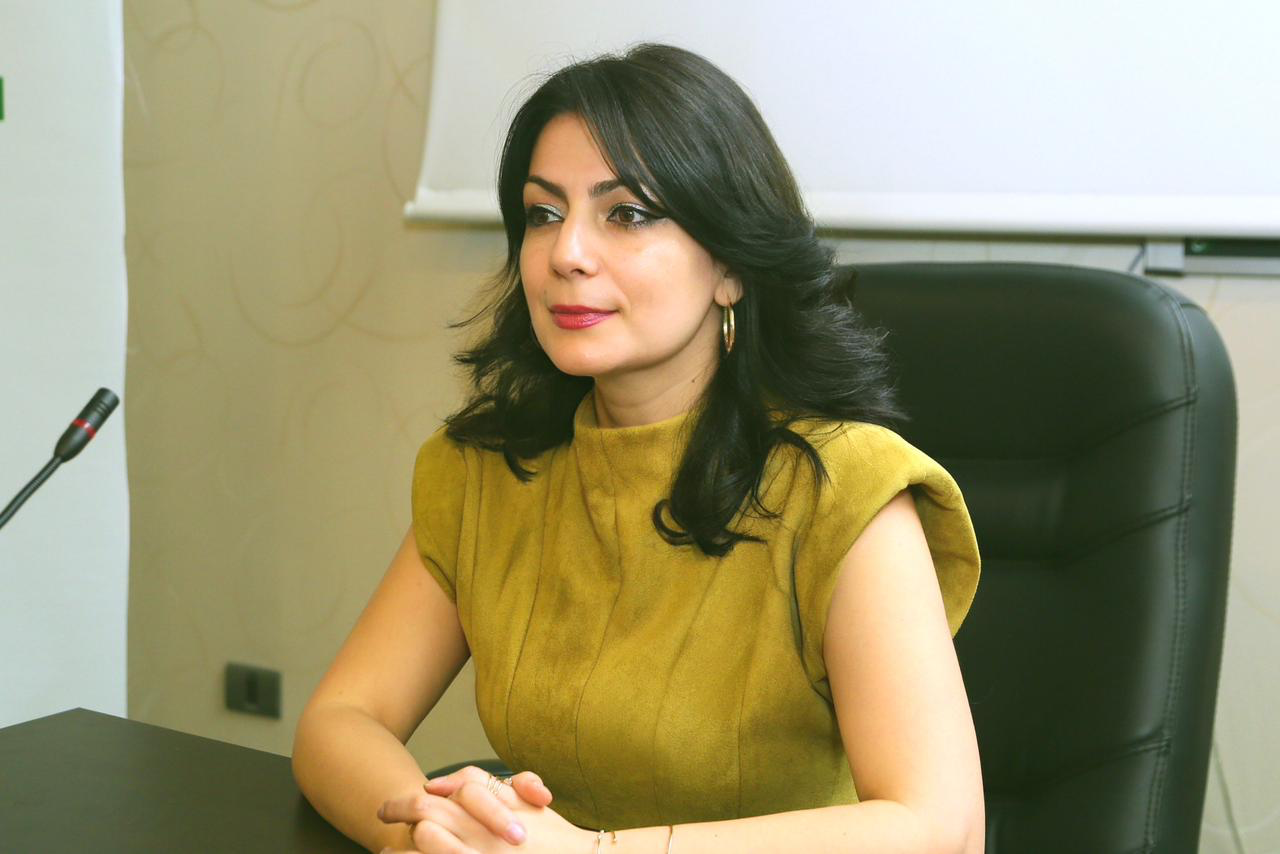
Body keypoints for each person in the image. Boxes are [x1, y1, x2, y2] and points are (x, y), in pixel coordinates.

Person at [292, 42, 984, 854]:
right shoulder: (484, 468)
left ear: (730, 266)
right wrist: (436, 832)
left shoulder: (847, 487)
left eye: (626, 214)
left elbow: (941, 826)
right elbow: (341, 720)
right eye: (544, 214)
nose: (567, 254)